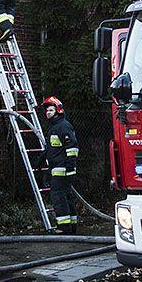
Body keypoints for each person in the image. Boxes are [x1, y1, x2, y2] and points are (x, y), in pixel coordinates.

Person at [42, 96, 79, 233]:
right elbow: (53, 149)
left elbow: (72, 147)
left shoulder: (62, 126)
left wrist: (70, 166)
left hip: (63, 169)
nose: (48, 113)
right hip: (58, 168)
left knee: (58, 197)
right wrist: (41, 160)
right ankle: (71, 225)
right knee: (67, 196)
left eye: (51, 110)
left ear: (58, 111)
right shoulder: (55, 127)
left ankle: (63, 228)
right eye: (47, 110)